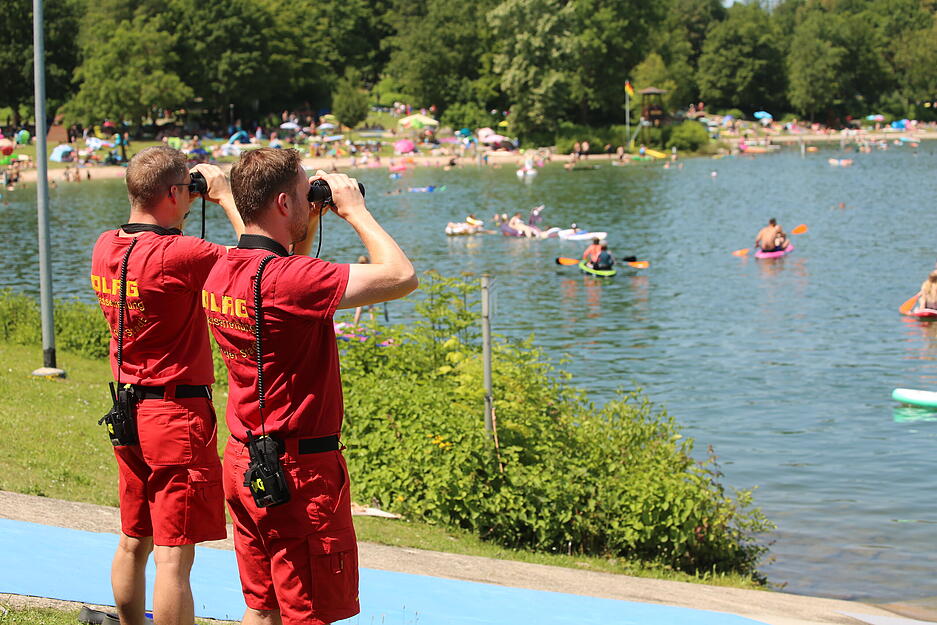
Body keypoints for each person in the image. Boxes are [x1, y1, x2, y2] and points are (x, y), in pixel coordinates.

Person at [202, 149, 417, 625]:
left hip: (244, 459)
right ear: (282, 203)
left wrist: (308, 217)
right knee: (310, 614)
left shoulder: (222, 270)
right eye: (303, 195)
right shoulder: (291, 281)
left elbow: (275, 259)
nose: (311, 201)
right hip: (300, 473)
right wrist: (354, 209)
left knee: (263, 607)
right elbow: (402, 276)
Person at [90, 146, 245, 625]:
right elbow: (259, 262)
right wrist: (223, 197)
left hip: (127, 408)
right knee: (174, 557)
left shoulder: (105, 245)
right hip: (174, 416)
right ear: (176, 193)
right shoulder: (183, 253)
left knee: (133, 538)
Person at [352, 255, 376, 325]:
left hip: (360, 291)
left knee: (359, 309)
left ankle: (355, 327)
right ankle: (373, 327)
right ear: (368, 262)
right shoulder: (370, 270)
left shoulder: (357, 270)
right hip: (369, 291)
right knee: (371, 309)